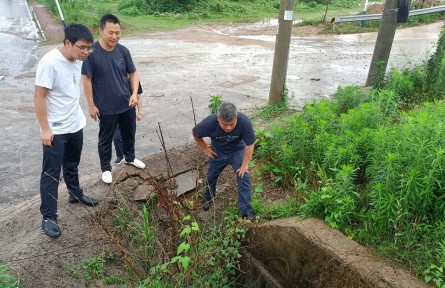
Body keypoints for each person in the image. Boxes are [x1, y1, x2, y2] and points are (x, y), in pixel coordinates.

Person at [34, 24, 99, 238]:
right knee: (51, 173)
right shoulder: (49, 63)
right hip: (55, 129)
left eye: (89, 48)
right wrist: (45, 129)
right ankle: (49, 216)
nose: (86, 53)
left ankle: (75, 193)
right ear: (67, 43)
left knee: (72, 164)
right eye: (82, 48)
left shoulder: (79, 60)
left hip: (75, 124)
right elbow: (39, 97)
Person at [82, 14, 146, 184]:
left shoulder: (123, 51)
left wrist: (134, 94)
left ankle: (130, 158)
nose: (115, 37)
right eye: (111, 32)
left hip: (127, 103)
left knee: (129, 133)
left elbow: (133, 73)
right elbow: (86, 79)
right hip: (106, 107)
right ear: (100, 30)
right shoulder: (92, 54)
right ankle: (105, 169)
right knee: (105, 139)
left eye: (117, 33)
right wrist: (91, 105)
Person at [192, 102, 257, 221]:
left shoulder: (244, 122)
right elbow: (195, 133)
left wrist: (244, 165)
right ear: (218, 118)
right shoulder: (209, 123)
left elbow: (250, 145)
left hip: (237, 151)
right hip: (218, 153)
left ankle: (246, 211)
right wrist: (206, 148)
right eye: (224, 124)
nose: (228, 128)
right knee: (211, 176)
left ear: (236, 117)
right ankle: (208, 198)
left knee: (244, 177)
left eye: (232, 124)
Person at [113, 80, 143, 166]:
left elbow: (139, 97)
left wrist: (140, 112)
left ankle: (129, 157)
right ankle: (120, 156)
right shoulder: (113, 77)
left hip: (129, 111)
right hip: (114, 112)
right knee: (116, 137)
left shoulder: (134, 80)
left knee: (129, 135)